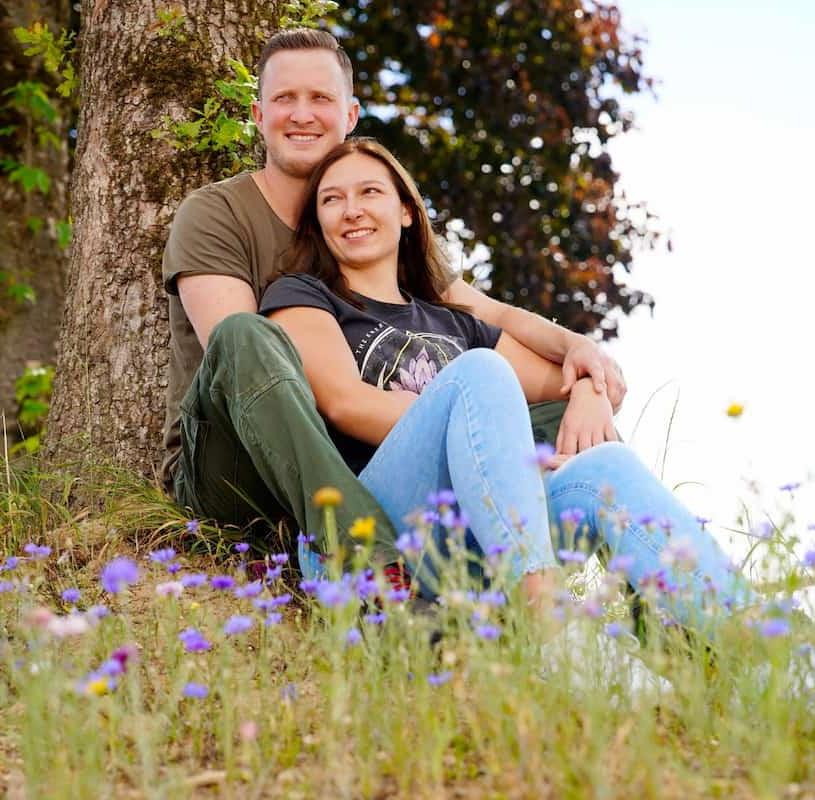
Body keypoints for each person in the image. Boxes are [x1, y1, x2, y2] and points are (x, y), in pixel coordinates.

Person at [161, 29, 627, 579]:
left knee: (573, 428)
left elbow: (485, 314)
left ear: (351, 114)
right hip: (240, 466)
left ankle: (649, 609)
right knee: (247, 334)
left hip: (370, 460)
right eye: (285, 99)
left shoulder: (372, 231)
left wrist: (585, 367)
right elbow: (248, 375)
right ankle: (361, 555)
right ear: (260, 116)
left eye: (321, 99)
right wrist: (459, 426)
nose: (302, 114)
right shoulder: (217, 214)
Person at [258, 138, 753, 634]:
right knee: (480, 373)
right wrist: (495, 438)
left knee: (608, 466)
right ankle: (546, 618)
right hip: (382, 530)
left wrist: (587, 389)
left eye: (369, 192)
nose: (352, 211)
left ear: (406, 211)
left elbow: (562, 381)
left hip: (479, 533)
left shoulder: (451, 319)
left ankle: (770, 651)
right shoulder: (301, 294)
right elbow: (345, 404)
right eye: (331, 200)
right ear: (318, 222)